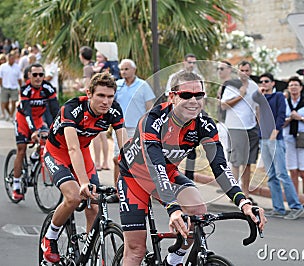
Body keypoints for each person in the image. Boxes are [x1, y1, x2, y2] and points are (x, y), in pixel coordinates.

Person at [118, 72, 265, 266]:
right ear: (173, 97)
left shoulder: (204, 124)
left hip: (167, 175)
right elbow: (156, 166)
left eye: (199, 95)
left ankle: (173, 260)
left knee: (198, 213)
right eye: (186, 95)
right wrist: (173, 208)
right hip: (134, 179)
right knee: (136, 250)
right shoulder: (153, 121)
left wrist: (244, 203)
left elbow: (220, 167)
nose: (193, 101)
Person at [40, 72, 127, 263]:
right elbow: (72, 148)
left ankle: (91, 253)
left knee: (94, 207)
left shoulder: (114, 111)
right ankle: (50, 236)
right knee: (73, 197)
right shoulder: (72, 109)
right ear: (89, 93)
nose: (106, 101)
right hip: (57, 152)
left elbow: (125, 148)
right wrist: (84, 182)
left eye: (110, 96)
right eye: (101, 96)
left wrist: (129, 179)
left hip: (84, 152)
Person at [252, 72, 304, 220]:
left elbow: (282, 115)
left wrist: (276, 131)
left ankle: (296, 206)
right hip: (263, 138)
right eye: (261, 82)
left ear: (273, 83)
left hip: (275, 139)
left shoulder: (279, 96)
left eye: (267, 81)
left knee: (282, 173)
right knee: (272, 176)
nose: (264, 84)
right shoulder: (261, 98)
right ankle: (278, 208)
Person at [12, 63, 59, 200]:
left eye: (41, 74)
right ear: (29, 76)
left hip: (38, 118)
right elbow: (27, 112)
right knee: (21, 149)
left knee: (45, 139)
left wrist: (57, 128)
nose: (38, 78)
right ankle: (16, 184)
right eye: (35, 75)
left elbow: (54, 110)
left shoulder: (48, 88)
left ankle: (34, 158)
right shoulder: (25, 90)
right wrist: (33, 131)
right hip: (23, 120)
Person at [112, 58, 155, 193]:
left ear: (134, 70)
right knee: (117, 158)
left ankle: (143, 189)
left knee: (139, 160)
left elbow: (150, 107)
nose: (123, 72)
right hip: (120, 128)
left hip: (138, 128)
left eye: (126, 69)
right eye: (121, 69)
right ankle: (118, 190)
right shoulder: (117, 85)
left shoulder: (143, 85)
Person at [221, 60, 259, 202]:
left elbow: (257, 108)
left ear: (250, 71)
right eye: (242, 70)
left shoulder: (255, 86)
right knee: (236, 161)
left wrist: (260, 126)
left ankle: (246, 193)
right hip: (235, 126)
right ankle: (235, 194)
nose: (244, 73)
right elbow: (223, 105)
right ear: (238, 71)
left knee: (248, 162)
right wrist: (240, 96)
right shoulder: (231, 85)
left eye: (247, 70)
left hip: (251, 127)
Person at [165, 53, 203, 180]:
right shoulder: (174, 77)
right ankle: (165, 177)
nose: (191, 65)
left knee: (191, 151)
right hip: (175, 119)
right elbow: (169, 97)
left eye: (194, 63)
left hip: (192, 119)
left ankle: (189, 178)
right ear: (184, 62)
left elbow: (202, 99)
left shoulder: (199, 78)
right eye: (189, 62)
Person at [283, 76, 304, 211]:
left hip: (303, 137)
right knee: (293, 171)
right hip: (289, 138)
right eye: (291, 85)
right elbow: (280, 122)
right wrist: (290, 118)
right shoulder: (285, 102)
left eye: (296, 85)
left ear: (301, 87)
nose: (293, 87)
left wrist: (300, 118)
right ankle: (295, 199)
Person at [0, 51, 22, 121]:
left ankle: (11, 115)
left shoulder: (17, 67)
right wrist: (1, 85)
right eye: (10, 59)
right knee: (5, 102)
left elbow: (19, 78)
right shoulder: (3, 67)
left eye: (13, 59)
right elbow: (0, 77)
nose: (12, 60)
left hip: (14, 87)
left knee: (13, 101)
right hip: (5, 86)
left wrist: (20, 87)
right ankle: (7, 113)